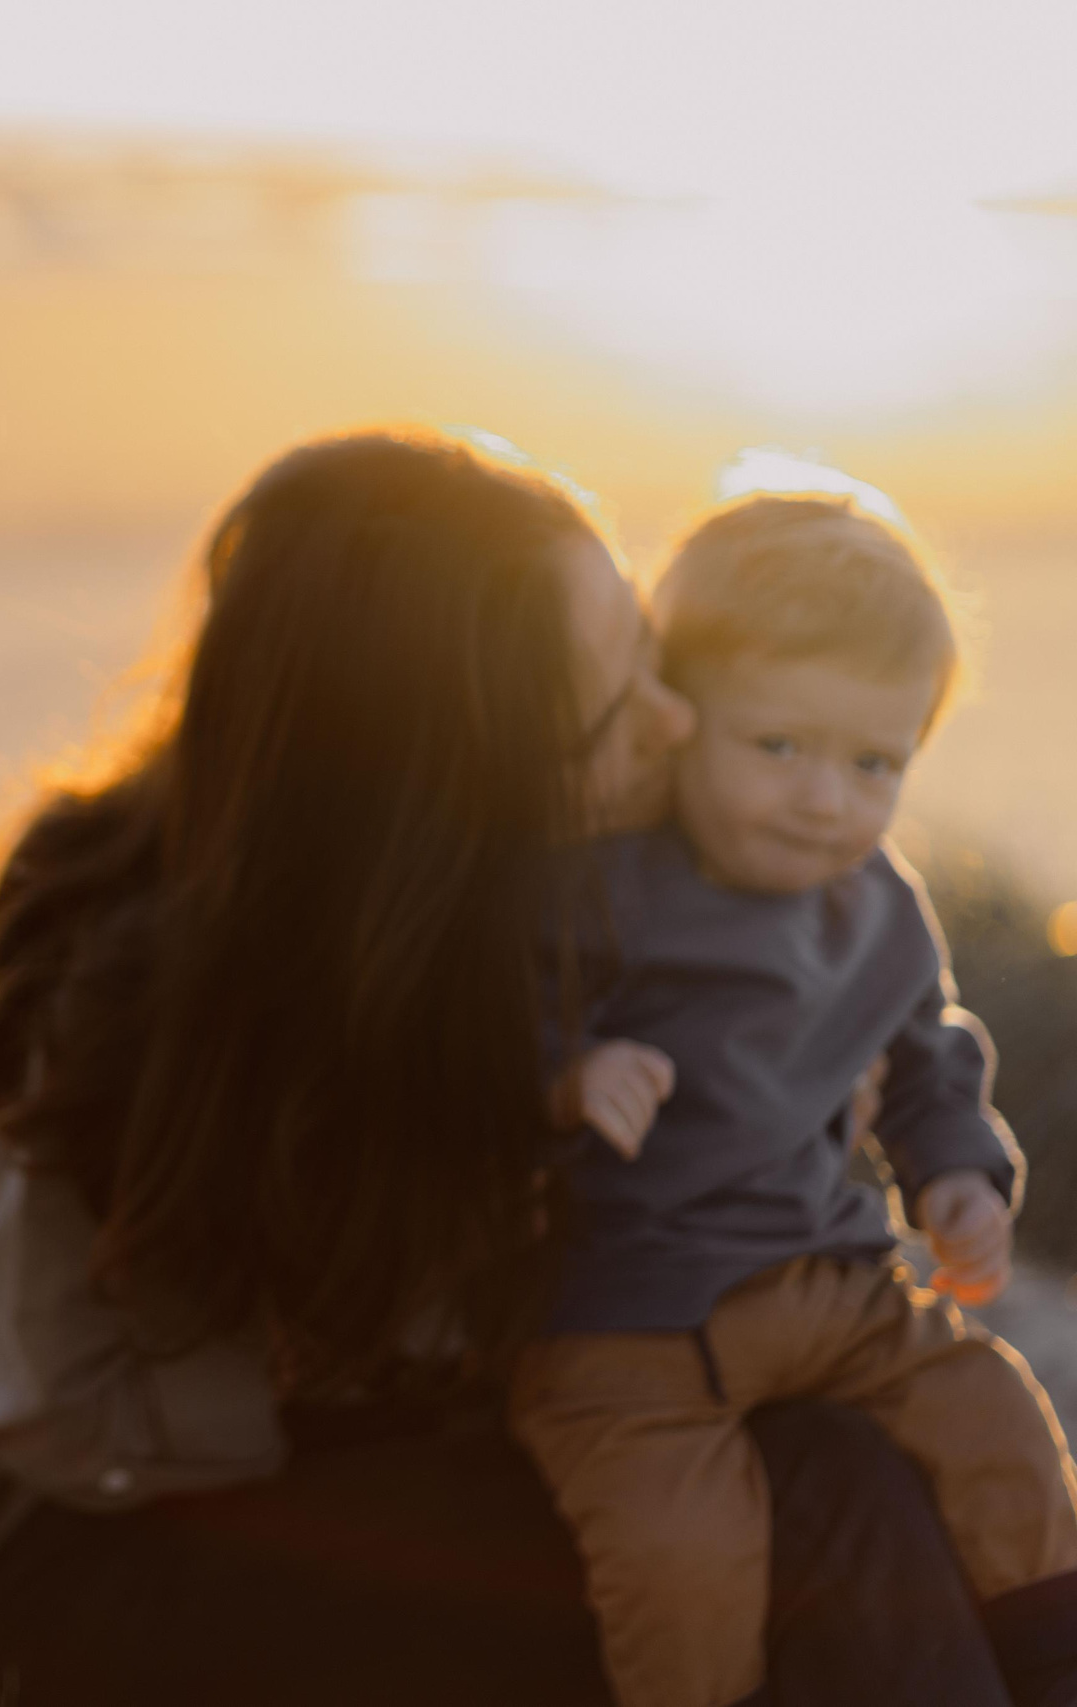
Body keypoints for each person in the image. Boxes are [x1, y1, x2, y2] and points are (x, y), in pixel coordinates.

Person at [0, 432, 1042, 1706]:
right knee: (811, 1492)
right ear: (456, 769)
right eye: (617, 708)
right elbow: (78, 1426)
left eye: (655, 664)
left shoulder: (567, 904)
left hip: (451, 1479)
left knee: (854, 1471)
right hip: (141, 1550)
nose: (676, 726)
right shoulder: (138, 969)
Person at [517, 493, 1077, 1707]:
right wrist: (565, 1069)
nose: (826, 799)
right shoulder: (599, 887)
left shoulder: (876, 903)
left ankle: (1046, 1667)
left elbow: (927, 1057)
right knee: (681, 1559)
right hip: (629, 1326)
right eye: (778, 747)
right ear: (677, 721)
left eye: (873, 763)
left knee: (999, 1420)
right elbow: (472, 1015)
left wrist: (959, 1180)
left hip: (836, 1290)